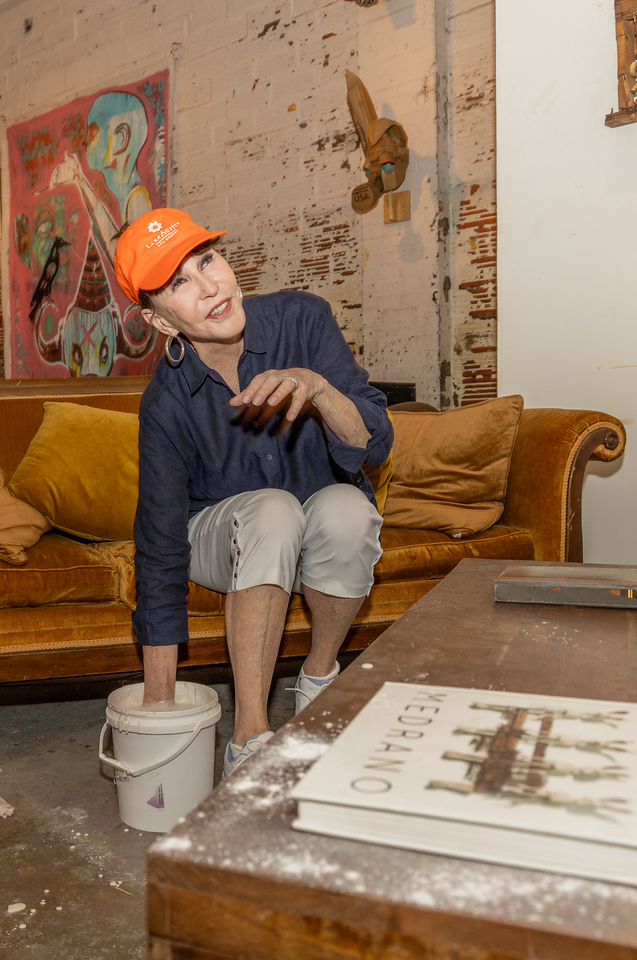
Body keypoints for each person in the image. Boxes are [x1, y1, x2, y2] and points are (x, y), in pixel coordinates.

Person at [113, 208, 393, 778]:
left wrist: (316, 388)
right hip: (218, 536)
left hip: (313, 513)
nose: (211, 287)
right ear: (160, 322)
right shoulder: (166, 403)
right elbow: (161, 546)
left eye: (207, 260)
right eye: (179, 284)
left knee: (348, 509)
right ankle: (249, 736)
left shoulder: (303, 319)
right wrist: (160, 709)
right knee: (272, 510)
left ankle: (318, 681)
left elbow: (374, 443)